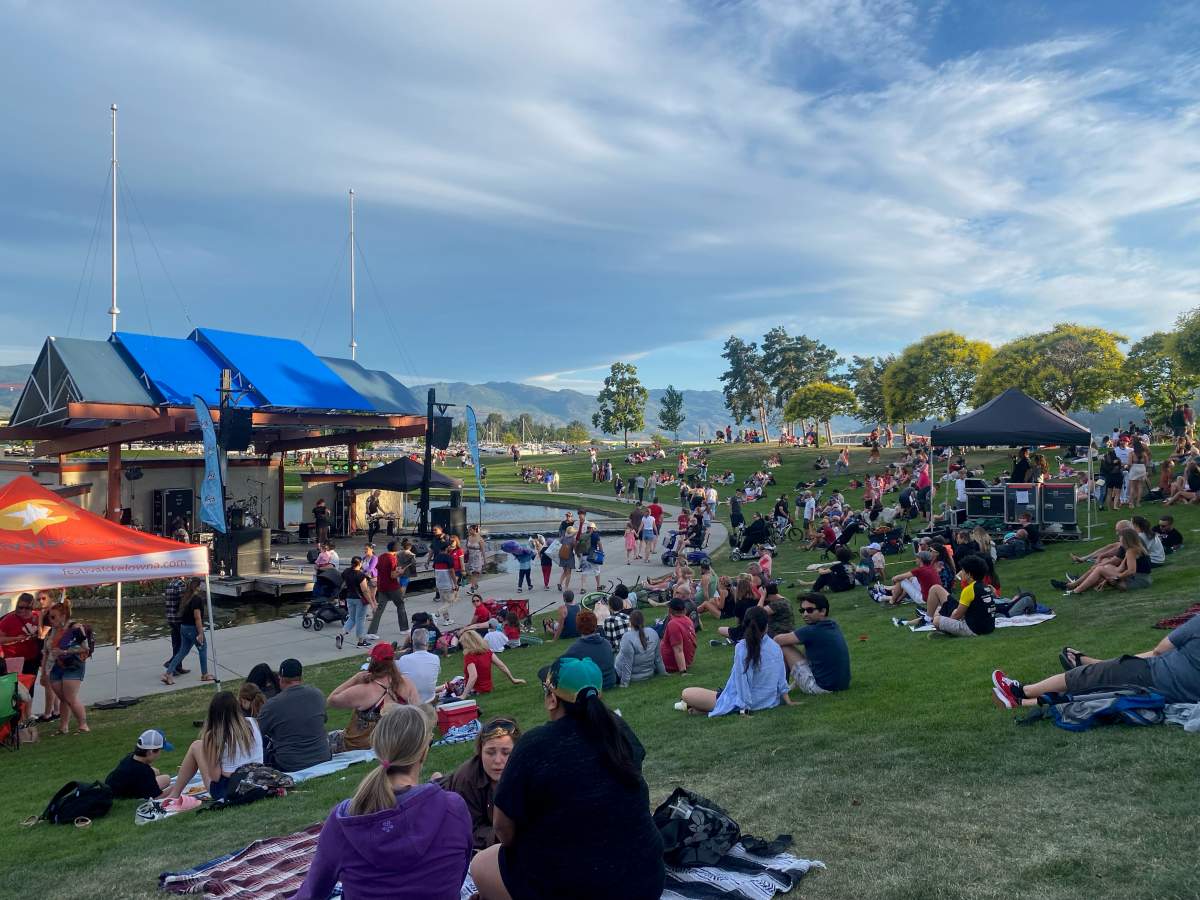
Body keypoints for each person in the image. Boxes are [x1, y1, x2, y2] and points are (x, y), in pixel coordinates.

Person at [468, 657, 665, 900]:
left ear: (552, 699)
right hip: (647, 880)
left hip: (578, 885)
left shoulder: (535, 745)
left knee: (482, 864)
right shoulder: (619, 731)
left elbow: (502, 827)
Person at [295, 705, 472, 900]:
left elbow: (312, 893)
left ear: (378, 749)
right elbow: (459, 875)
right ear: (424, 751)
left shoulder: (345, 820)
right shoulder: (453, 808)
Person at [993, 614, 1200, 710]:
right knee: (1095, 693)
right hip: (1178, 694)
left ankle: (1023, 691)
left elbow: (1159, 650)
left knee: (1084, 678)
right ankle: (1020, 702)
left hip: (1153, 676)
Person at [680, 607, 791, 716]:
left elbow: (742, 682)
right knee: (711, 696)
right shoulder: (775, 647)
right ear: (766, 626)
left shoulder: (743, 648)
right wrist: (787, 700)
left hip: (743, 702)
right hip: (767, 701)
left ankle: (708, 708)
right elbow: (781, 678)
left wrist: (744, 709)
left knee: (686, 693)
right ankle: (701, 709)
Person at [433, 717, 521, 850]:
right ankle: (436, 780)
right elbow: (470, 831)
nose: (498, 760)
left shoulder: (525, 771)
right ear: (480, 752)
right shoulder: (467, 778)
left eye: (506, 753)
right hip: (440, 804)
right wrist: (506, 835)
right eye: (490, 752)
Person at [162, 691, 263, 802]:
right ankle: (174, 793)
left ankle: (175, 794)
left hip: (229, 788)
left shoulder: (214, 735)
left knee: (196, 746)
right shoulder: (253, 722)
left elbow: (215, 776)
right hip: (258, 779)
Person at [327, 643, 419, 753]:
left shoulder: (364, 690)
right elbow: (417, 714)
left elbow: (332, 700)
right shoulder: (407, 684)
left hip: (358, 746)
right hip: (392, 742)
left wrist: (355, 679)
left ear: (373, 661)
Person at [258, 658, 331, 772]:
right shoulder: (318, 694)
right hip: (322, 757)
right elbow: (323, 720)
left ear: (281, 679)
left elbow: (257, 734)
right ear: (301, 677)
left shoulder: (272, 705)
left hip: (290, 764)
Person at [774, 593, 851, 694]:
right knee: (806, 648)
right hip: (842, 685)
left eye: (810, 610)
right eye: (802, 611)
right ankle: (788, 686)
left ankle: (781, 687)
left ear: (823, 611)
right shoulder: (832, 625)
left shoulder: (811, 631)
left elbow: (777, 640)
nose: (805, 614)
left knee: (785, 646)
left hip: (822, 688)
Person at [1057, 528, 1151, 595]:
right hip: (1141, 579)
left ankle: (1076, 590)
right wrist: (1106, 579)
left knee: (1100, 569)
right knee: (1104, 567)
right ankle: (1075, 586)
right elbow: (1120, 568)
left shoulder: (1131, 551)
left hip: (1138, 582)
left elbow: (1131, 571)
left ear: (1126, 539)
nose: (1119, 539)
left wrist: (1116, 578)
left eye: (1120, 537)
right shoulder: (1132, 549)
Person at [44, 600, 90, 734]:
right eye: (49, 617)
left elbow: (85, 648)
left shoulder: (75, 628)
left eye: (53, 617)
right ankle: (63, 727)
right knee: (63, 698)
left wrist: (64, 651)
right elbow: (46, 652)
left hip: (72, 665)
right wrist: (44, 671)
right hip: (55, 666)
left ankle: (83, 725)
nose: (50, 620)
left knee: (70, 698)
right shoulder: (51, 631)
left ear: (63, 616)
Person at [162, 581, 214, 686]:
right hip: (192, 628)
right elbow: (197, 617)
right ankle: (205, 675)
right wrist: (200, 633)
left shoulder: (185, 597)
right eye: (202, 584)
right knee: (202, 649)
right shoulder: (197, 599)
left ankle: (168, 673)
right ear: (198, 586)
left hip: (183, 627)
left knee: (182, 651)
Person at [931, 556, 996, 637]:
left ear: (969, 574)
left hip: (973, 629)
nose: (961, 573)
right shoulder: (986, 587)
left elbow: (957, 615)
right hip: (989, 627)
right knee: (945, 611)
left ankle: (944, 630)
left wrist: (946, 623)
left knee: (936, 620)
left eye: (962, 570)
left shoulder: (969, 589)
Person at [105, 728, 172, 799]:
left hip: (114, 786)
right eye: (160, 750)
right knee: (166, 779)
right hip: (124, 793)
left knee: (157, 772)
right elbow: (156, 797)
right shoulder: (144, 771)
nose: (160, 754)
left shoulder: (130, 757)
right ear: (151, 751)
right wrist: (175, 788)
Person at [560, 609, 617, 690]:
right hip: (610, 682)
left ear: (578, 627)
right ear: (595, 624)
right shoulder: (606, 643)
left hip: (592, 685)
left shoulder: (575, 648)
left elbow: (560, 667)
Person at [460, 630, 526, 696]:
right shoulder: (487, 652)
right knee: (459, 679)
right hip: (488, 688)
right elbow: (501, 666)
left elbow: (473, 676)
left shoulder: (469, 656)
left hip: (475, 690)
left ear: (467, 643)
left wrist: (463, 695)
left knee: (455, 682)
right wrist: (513, 680)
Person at [615, 609, 666, 686]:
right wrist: (663, 673)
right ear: (643, 621)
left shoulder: (627, 637)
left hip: (632, 677)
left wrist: (624, 683)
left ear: (630, 622)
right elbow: (658, 658)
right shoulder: (653, 633)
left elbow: (627, 663)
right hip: (648, 673)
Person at [369, 540, 410, 634]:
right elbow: (392, 576)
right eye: (398, 546)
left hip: (381, 585)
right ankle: (404, 629)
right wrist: (400, 572)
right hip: (392, 586)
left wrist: (395, 569)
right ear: (395, 548)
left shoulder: (381, 556)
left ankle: (371, 632)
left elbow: (380, 569)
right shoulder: (392, 558)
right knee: (400, 605)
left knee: (379, 609)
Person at [336, 556, 376, 650]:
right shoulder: (360, 575)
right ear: (360, 563)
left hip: (349, 597)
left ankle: (341, 634)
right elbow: (365, 590)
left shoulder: (346, 572)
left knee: (352, 618)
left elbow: (343, 582)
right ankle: (361, 641)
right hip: (360, 600)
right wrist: (372, 603)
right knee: (360, 620)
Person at [398, 628, 441, 704]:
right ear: (427, 643)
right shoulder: (435, 658)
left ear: (412, 642)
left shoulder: (403, 659)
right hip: (429, 701)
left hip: (410, 702)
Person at [161, 577, 190, 677]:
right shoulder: (181, 584)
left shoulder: (170, 584)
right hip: (179, 619)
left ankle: (177, 667)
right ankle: (171, 663)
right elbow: (183, 602)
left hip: (170, 617)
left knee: (176, 644)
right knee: (183, 645)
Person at [660, 597, 697, 675]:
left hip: (670, 665)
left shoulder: (673, 624)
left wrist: (683, 671)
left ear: (670, 610)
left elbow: (678, 649)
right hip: (687, 661)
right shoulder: (688, 620)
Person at [466, 525, 487, 594]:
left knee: (474, 573)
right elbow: (466, 548)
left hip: (477, 557)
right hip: (470, 557)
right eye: (469, 530)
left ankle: (472, 588)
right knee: (470, 573)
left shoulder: (480, 539)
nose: (469, 531)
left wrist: (484, 560)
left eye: (470, 530)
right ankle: (475, 584)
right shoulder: (468, 537)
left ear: (475, 530)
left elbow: (483, 550)